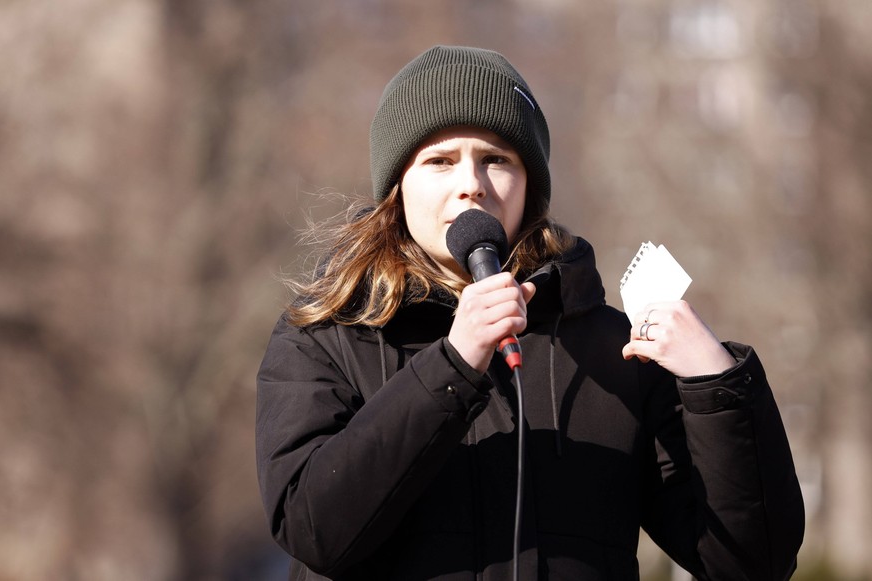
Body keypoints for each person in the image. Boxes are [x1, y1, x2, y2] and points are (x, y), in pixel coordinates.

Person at [256, 45, 804, 580]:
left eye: (496, 159)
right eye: (440, 161)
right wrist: (451, 366)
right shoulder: (323, 338)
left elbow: (753, 562)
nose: (471, 184)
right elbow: (313, 530)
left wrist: (719, 387)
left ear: (530, 186)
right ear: (397, 189)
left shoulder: (612, 349)